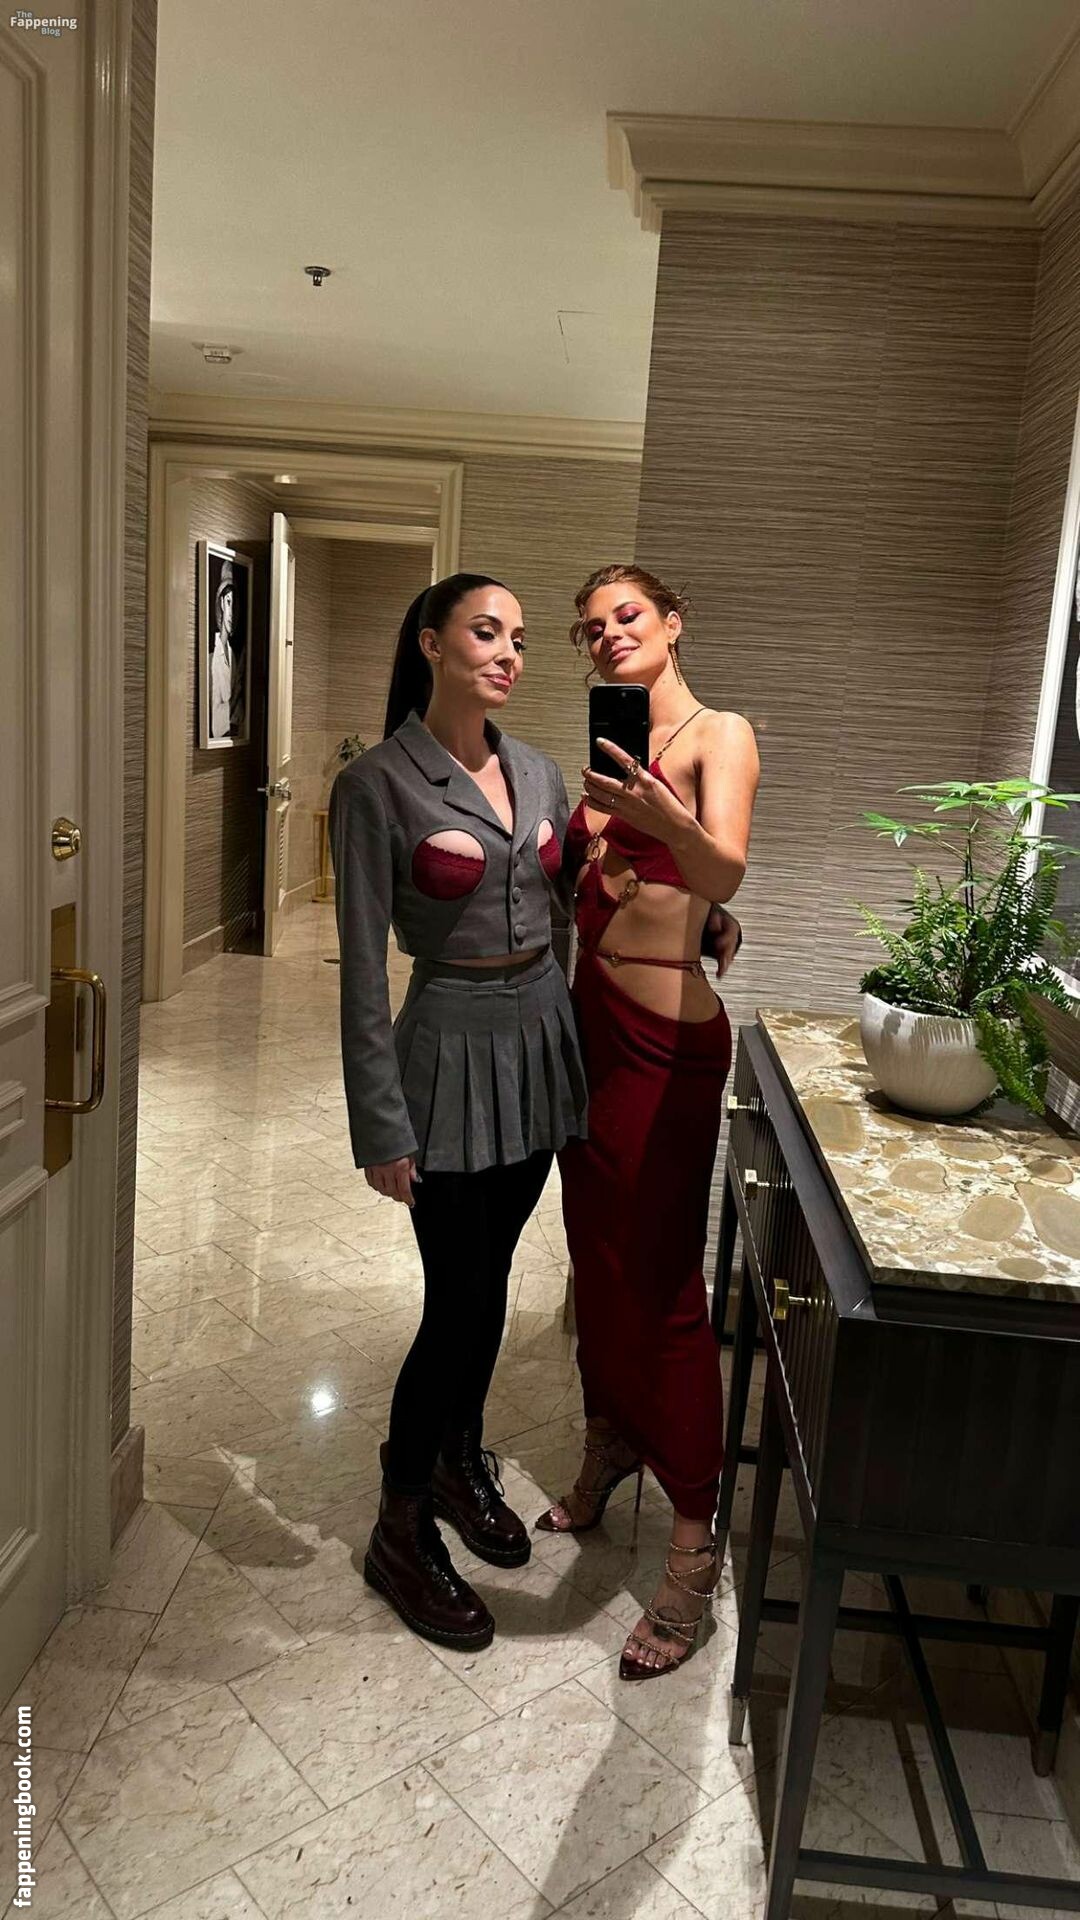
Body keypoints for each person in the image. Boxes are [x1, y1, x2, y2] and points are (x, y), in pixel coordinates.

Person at [329, 573, 590, 1652]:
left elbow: (572, 902)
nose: (509, 653)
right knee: (461, 1299)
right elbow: (360, 968)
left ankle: (454, 1455)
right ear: (431, 643)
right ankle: (399, 1524)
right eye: (487, 633)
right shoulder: (376, 784)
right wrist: (380, 1124)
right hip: (446, 1050)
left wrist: (694, 919)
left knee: (494, 1277)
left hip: (537, 1045)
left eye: (519, 638)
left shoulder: (539, 770)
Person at [537, 563, 759, 1682]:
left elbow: (726, 868)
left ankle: (694, 1542)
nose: (608, 635)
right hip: (588, 1034)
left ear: (673, 623)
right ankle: (612, 1437)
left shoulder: (721, 735)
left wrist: (665, 823)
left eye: (627, 616)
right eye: (590, 628)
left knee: (666, 1283)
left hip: (667, 1046)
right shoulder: (604, 752)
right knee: (597, 1260)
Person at [208, 561, 242, 741]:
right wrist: (237, 693)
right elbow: (216, 726)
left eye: (234, 605)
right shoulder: (213, 658)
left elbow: (238, 714)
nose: (231, 613)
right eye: (228, 602)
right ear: (221, 603)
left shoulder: (233, 656)